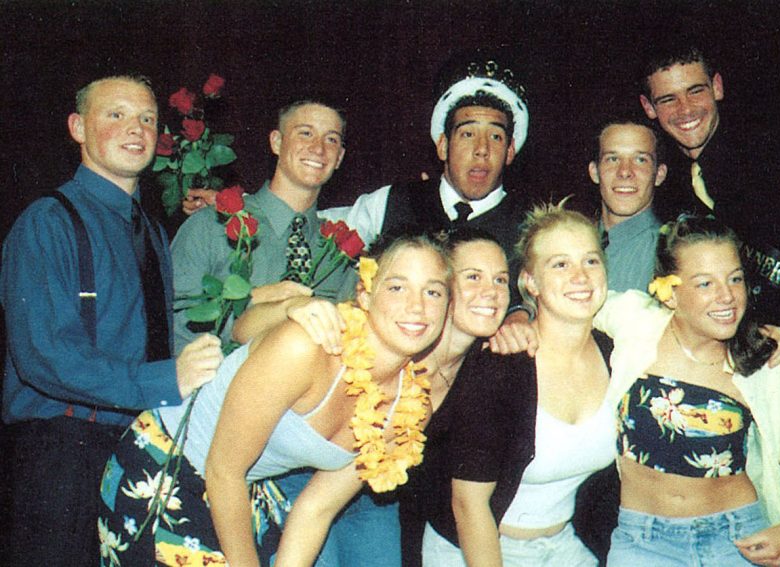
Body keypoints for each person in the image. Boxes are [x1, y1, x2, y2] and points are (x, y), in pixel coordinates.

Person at [97, 234, 451, 566]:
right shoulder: (303, 347)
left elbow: (316, 510)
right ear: (365, 295)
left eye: (433, 292)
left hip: (241, 491)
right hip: (163, 464)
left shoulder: (410, 413)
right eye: (397, 287)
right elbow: (223, 472)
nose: (416, 307)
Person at [0, 75, 223, 566]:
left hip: (134, 449)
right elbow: (44, 357)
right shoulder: (47, 221)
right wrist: (167, 379)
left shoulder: (152, 232)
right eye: (115, 115)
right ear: (78, 128)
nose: (135, 129)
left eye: (147, 118)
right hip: (62, 455)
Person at [232, 228, 513, 567]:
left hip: (371, 495)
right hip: (298, 476)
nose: (490, 292)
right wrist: (291, 306)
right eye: (473, 277)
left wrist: (521, 315)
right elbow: (247, 331)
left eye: (501, 280)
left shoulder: (485, 363)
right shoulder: (386, 331)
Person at [595, 215, 780, 567]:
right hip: (642, 542)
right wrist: (520, 314)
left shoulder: (765, 358)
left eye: (735, 279)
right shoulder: (635, 320)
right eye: (705, 284)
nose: (727, 296)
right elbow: (573, 299)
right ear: (670, 293)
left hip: (738, 540)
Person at [418, 202, 621, 566]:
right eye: (560, 263)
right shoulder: (502, 365)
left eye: (590, 261)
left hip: (562, 547)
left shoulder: (618, 355)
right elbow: (468, 504)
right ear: (530, 281)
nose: (580, 276)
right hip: (472, 549)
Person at [171, 99, 358, 354]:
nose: (318, 148)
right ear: (277, 142)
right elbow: (173, 325)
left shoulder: (339, 255)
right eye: (305, 133)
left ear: (340, 158)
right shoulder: (210, 226)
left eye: (332, 139)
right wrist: (248, 303)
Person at [637, 43, 780, 318]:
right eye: (668, 99)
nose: (685, 109)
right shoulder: (665, 186)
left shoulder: (777, 162)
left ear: (717, 87)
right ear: (649, 108)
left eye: (695, 91)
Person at [324, 55, 529, 263]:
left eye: (496, 137)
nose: (482, 149)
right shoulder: (392, 203)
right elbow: (312, 230)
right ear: (443, 146)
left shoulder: (530, 229)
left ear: (510, 151)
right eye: (468, 134)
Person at [588, 117, 667, 292]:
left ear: (659, 174)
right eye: (612, 159)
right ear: (594, 172)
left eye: (640, 160)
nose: (624, 172)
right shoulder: (573, 242)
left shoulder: (670, 253)